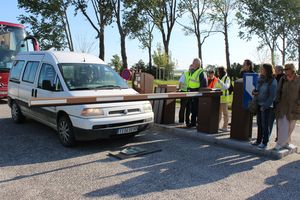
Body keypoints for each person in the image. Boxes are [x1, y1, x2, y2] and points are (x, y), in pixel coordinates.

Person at [274, 63, 300, 150]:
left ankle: (287, 142)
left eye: (287, 70)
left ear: (292, 70)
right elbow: (278, 91)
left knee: (291, 126)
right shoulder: (283, 79)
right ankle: (280, 143)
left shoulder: (298, 79)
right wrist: (277, 102)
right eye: (285, 70)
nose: (285, 71)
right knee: (282, 125)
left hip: (294, 106)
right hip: (283, 106)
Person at [251, 64, 277, 149]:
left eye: (262, 69)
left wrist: (265, 106)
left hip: (266, 106)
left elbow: (272, 96)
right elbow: (257, 90)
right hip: (258, 104)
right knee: (259, 123)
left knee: (265, 125)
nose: (261, 70)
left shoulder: (272, 81)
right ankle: (258, 140)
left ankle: (264, 142)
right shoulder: (260, 79)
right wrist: (254, 92)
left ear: (267, 70)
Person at [186, 58, 208, 127]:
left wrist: (200, 93)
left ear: (197, 64)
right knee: (193, 109)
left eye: (193, 63)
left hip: (197, 93)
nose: (192, 64)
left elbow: (204, 84)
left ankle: (200, 123)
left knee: (198, 109)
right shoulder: (194, 71)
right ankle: (193, 123)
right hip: (192, 92)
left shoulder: (201, 72)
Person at [215, 67, 231, 131]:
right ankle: (216, 126)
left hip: (224, 99)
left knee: (225, 114)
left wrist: (220, 82)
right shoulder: (219, 78)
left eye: (218, 71)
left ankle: (225, 127)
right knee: (218, 114)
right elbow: (216, 87)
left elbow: (226, 87)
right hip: (218, 99)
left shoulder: (227, 78)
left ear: (221, 71)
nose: (218, 73)